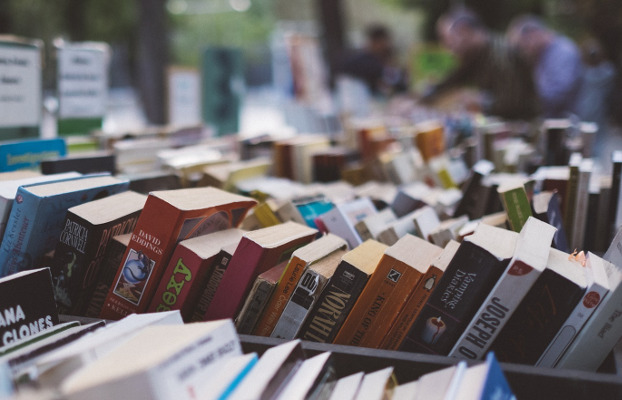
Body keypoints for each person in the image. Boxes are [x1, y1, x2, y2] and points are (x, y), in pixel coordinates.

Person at [421, 10, 537, 120]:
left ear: (465, 31)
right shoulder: (475, 55)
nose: (447, 48)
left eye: (449, 39)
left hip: (523, 129)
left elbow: (511, 104)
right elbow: (453, 78)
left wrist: (478, 100)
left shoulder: (501, 55)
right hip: (503, 128)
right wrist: (421, 97)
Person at [507, 16, 584, 118]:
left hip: (568, 122)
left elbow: (558, 95)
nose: (522, 52)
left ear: (533, 35)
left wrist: (524, 99)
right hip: (552, 120)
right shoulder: (542, 54)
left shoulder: (564, 52)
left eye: (521, 46)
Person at [341, 24, 408, 96]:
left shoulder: (373, 60)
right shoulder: (364, 62)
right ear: (375, 42)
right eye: (384, 42)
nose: (387, 46)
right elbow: (394, 81)